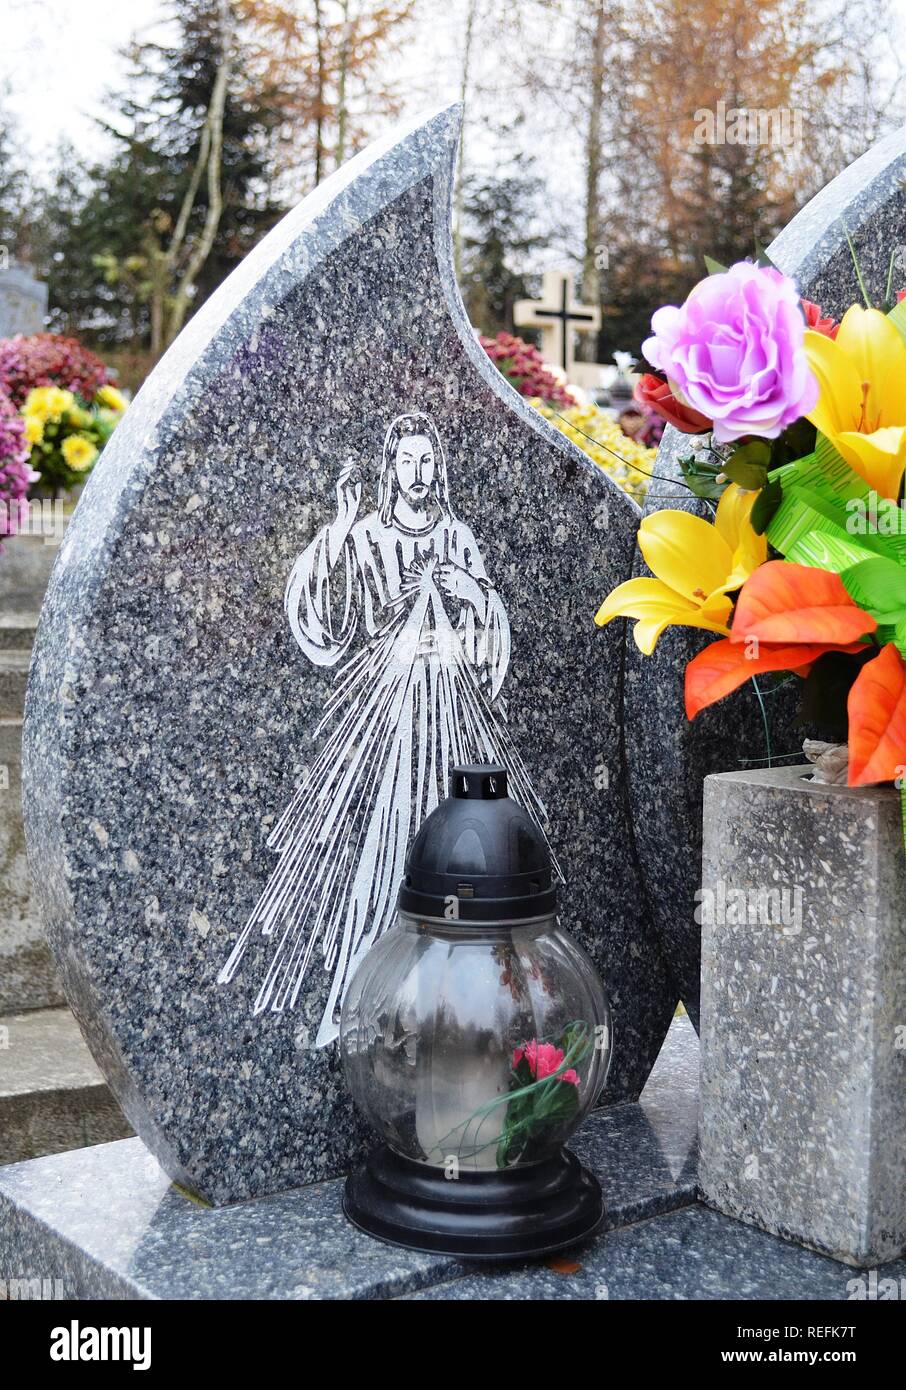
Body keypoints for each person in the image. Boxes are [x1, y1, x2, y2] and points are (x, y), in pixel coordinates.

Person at [218, 410, 553, 1045]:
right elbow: (324, 619)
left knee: (452, 851)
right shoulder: (368, 535)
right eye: (408, 461)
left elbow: (492, 629)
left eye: (429, 461)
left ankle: (458, 1007)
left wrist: (469, 594)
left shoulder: (456, 535)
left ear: (440, 467)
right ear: (390, 467)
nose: (419, 473)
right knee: (371, 849)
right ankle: (361, 993)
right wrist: (340, 530)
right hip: (377, 717)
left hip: (451, 716)